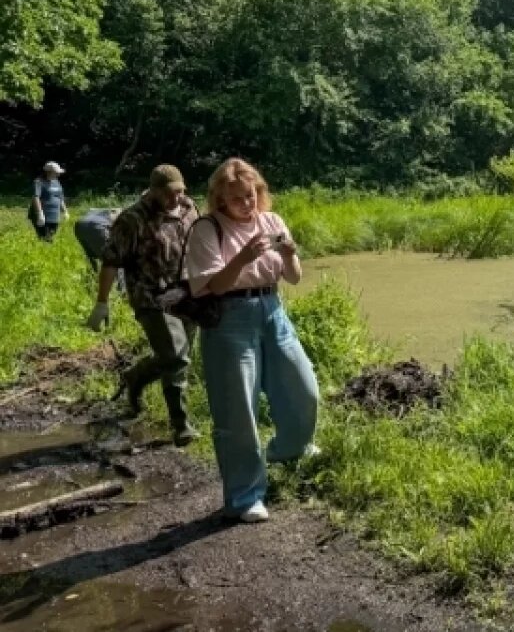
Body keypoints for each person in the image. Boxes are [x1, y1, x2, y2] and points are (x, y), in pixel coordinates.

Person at [185, 157, 319, 524]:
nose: (246, 204)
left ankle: (288, 450)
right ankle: (245, 497)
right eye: (236, 198)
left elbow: (293, 278)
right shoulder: (206, 229)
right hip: (229, 318)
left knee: (302, 387)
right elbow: (214, 286)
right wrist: (243, 257)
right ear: (220, 199)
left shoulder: (272, 221)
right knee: (237, 410)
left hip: (273, 310)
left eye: (250, 194)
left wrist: (290, 252)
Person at [88, 165, 200, 447]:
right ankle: (182, 426)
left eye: (180, 191)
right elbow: (112, 261)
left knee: (178, 354)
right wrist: (102, 302)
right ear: (154, 191)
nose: (176, 198)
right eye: (169, 193)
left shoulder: (189, 208)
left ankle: (135, 377)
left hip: (186, 294)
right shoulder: (132, 220)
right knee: (175, 357)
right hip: (151, 297)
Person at [30, 162, 68, 241]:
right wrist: (40, 214)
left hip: (54, 216)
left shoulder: (57, 182)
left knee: (51, 236)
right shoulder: (39, 182)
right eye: (56, 173)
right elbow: (36, 198)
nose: (58, 175)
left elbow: (60, 198)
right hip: (43, 215)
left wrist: (65, 211)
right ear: (48, 172)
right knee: (45, 239)